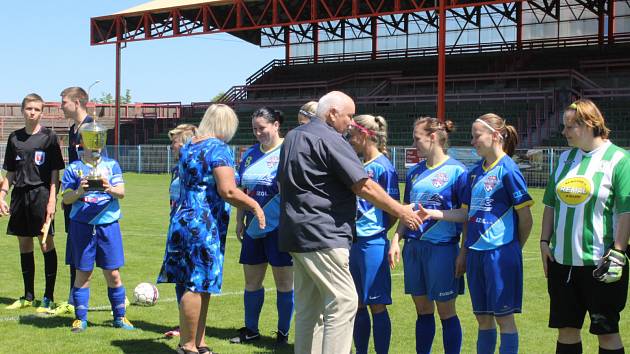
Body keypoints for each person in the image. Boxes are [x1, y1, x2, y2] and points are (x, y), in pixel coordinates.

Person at [277, 90, 423, 354]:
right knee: (344, 302)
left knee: (309, 308)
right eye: (349, 116)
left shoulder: (293, 137)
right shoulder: (331, 138)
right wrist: (401, 210)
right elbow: (363, 185)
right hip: (324, 234)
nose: (351, 123)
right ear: (332, 113)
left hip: (294, 234)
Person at [420, 113, 533, 354]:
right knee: (483, 319)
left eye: (476, 136)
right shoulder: (473, 174)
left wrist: (511, 249)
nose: (472, 141)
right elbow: (466, 216)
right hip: (475, 255)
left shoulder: (509, 171)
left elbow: (526, 219)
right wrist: (435, 214)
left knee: (504, 319)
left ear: (495, 136)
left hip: (500, 255)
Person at [159, 104, 265, 354]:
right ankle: (187, 346)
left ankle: (199, 342)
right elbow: (227, 190)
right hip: (202, 224)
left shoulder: (190, 146)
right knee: (196, 285)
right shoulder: (218, 148)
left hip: (183, 220)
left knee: (199, 283)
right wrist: (254, 206)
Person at [540, 99, 630, 354]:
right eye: (564, 126)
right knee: (566, 330)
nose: (564, 132)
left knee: (607, 332)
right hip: (562, 262)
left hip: (601, 263)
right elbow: (550, 204)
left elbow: (627, 210)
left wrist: (619, 252)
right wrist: (544, 242)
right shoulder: (565, 159)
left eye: (570, 126)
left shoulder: (619, 159)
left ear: (591, 124)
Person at [388, 117, 466, 354]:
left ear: (433, 138)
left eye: (416, 139)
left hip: (442, 249)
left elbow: (466, 215)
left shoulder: (458, 172)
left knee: (446, 311)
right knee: (422, 310)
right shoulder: (414, 173)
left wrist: (434, 214)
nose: (413, 144)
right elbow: (406, 211)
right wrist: (396, 239)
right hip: (414, 248)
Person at [230, 107, 294, 345]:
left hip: (281, 229)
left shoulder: (289, 150)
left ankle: (283, 334)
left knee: (284, 284)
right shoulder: (249, 154)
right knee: (251, 282)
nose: (258, 133)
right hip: (253, 229)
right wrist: (239, 220)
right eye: (254, 129)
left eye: (262, 128)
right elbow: (241, 190)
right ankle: (251, 329)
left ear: (276, 125)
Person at [61, 124, 134, 333]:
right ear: (81, 141)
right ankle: (80, 319)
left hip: (108, 224)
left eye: (98, 138)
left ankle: (120, 317)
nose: (95, 143)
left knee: (113, 274)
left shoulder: (112, 165)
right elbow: (66, 198)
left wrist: (107, 187)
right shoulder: (73, 168)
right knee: (83, 273)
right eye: (90, 138)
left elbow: (121, 192)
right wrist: (78, 190)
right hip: (82, 226)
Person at [1, 93, 65, 312]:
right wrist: (2, 195)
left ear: (41, 112)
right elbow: (9, 172)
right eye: (29, 108)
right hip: (19, 195)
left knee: (45, 243)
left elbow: (55, 172)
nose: (32, 112)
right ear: (22, 110)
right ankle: (28, 296)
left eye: (37, 109)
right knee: (24, 244)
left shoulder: (49, 137)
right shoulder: (14, 138)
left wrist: (52, 201)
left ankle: (48, 297)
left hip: (41, 194)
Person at [49, 86, 104, 316]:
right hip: (74, 199)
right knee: (75, 248)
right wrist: (68, 195)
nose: (61, 105)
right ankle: (74, 296)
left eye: (64, 102)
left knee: (89, 249)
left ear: (78, 102)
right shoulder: (74, 129)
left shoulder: (92, 127)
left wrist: (86, 195)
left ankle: (80, 297)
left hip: (87, 202)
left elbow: (99, 165)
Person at [347, 114, 399, 354]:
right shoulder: (358, 164)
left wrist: (375, 233)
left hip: (372, 243)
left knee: (376, 304)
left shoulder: (383, 167)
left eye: (351, 134)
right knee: (357, 304)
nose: (349, 139)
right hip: (353, 242)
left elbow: (392, 209)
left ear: (365, 134)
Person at [158, 123, 197, 338]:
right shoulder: (177, 168)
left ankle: (192, 331)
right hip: (176, 230)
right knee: (179, 279)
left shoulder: (196, 168)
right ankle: (183, 325)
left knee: (192, 280)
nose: (171, 146)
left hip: (193, 231)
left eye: (174, 142)